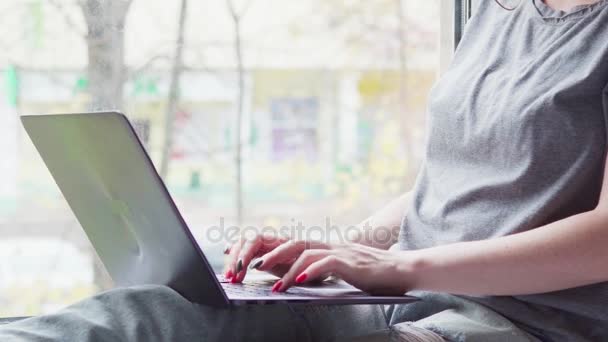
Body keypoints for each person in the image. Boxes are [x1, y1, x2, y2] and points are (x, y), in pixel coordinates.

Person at [3, 0, 608, 340]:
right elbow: (453, 177)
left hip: (515, 323)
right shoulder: (497, 12)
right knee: (163, 310)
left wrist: (400, 268)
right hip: (403, 293)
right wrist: (336, 249)